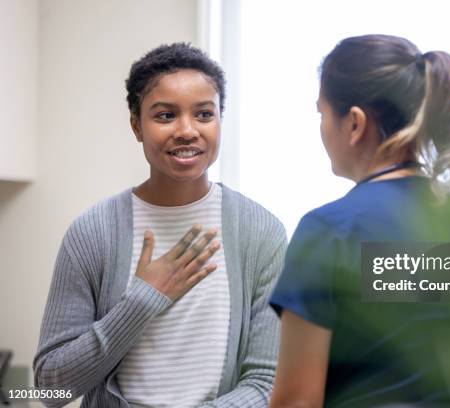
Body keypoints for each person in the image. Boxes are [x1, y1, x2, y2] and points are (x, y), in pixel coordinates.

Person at [34, 43, 286, 408]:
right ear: (137, 126)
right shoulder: (91, 234)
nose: (187, 130)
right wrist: (141, 300)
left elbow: (267, 383)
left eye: (203, 114)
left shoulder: (261, 232)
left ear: (220, 121)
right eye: (165, 116)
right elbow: (48, 389)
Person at [269, 34, 450, 407]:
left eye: (321, 113)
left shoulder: (328, 231)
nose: (320, 128)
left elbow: (296, 402)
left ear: (354, 123)